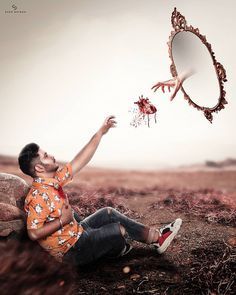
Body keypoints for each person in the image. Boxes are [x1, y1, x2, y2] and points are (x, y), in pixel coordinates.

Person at [18, 116, 182, 266]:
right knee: (119, 231)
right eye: (46, 156)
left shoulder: (53, 180)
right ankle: (115, 249)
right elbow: (33, 233)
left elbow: (80, 159)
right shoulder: (37, 196)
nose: (52, 156)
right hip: (72, 251)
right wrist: (62, 220)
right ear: (39, 167)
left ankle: (156, 238)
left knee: (108, 213)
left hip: (79, 231)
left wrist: (100, 133)